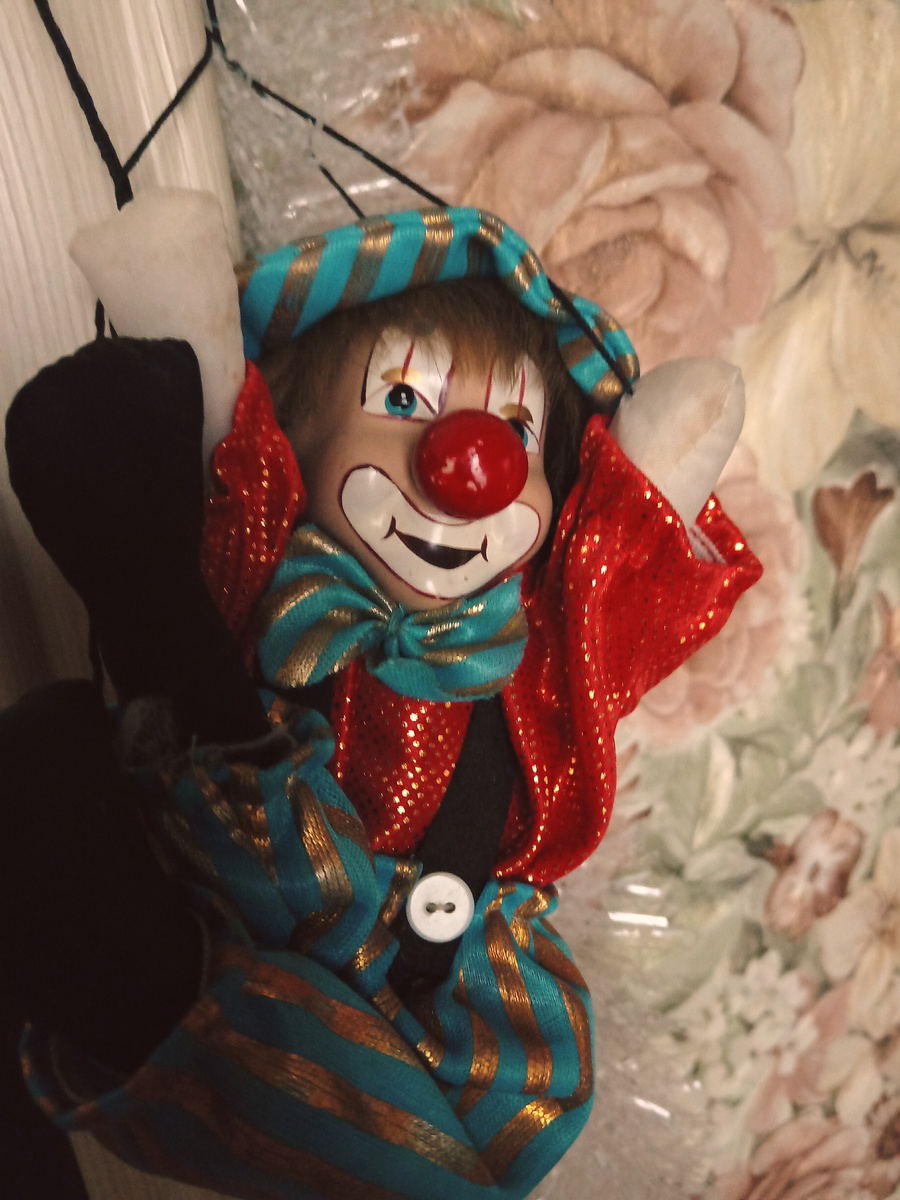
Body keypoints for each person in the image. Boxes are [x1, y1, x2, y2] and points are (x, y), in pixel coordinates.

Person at [2, 197, 760, 1199]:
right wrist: (198, 358)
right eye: (404, 399)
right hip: (253, 917)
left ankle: (200, 1029)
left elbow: (611, 594)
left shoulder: (535, 652)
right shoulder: (275, 593)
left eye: (518, 430)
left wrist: (650, 477)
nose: (475, 466)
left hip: (470, 1013)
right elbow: (233, 487)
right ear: (295, 441)